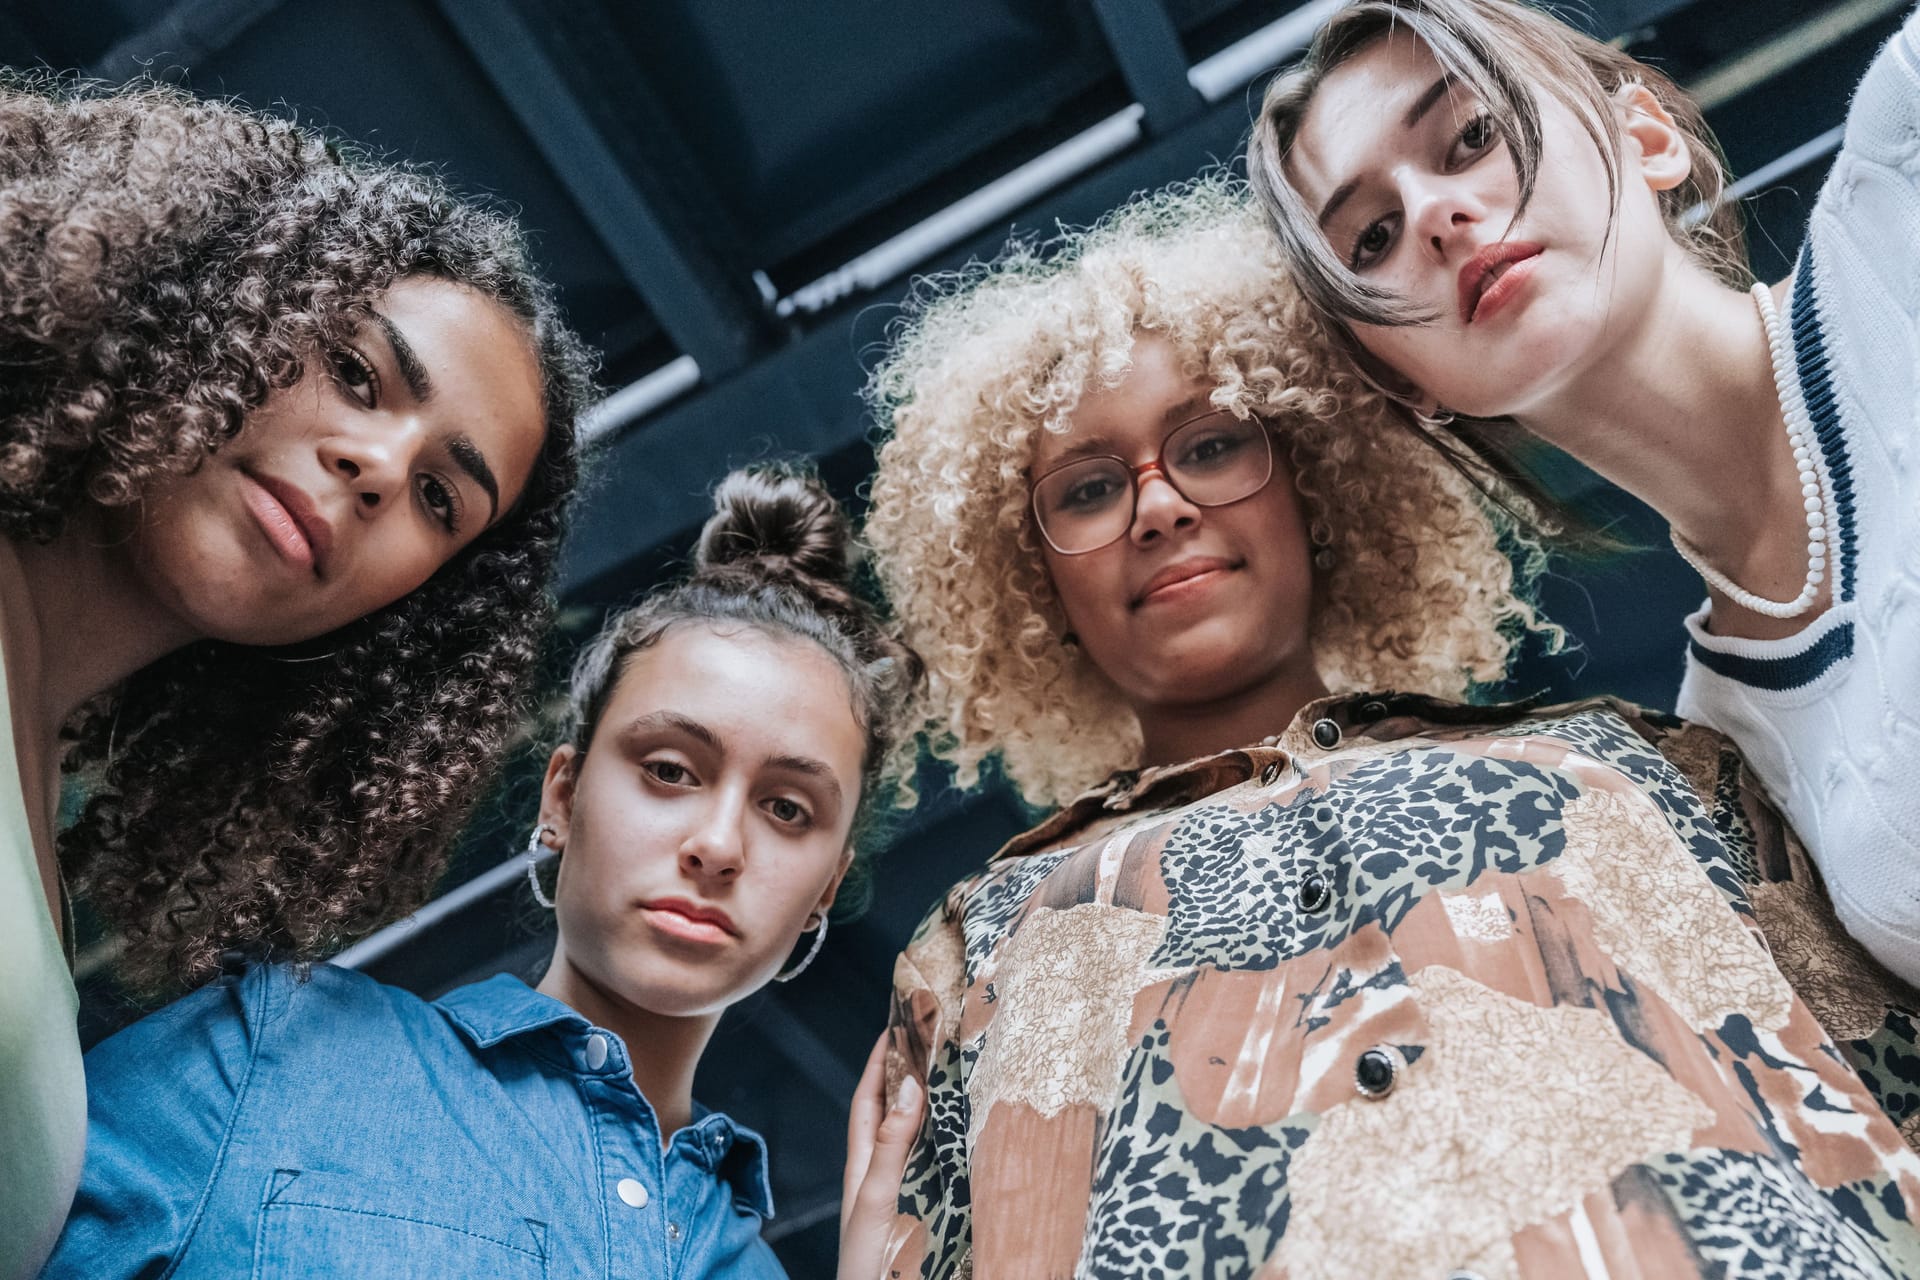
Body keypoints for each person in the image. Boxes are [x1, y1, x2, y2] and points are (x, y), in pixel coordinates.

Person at [862, 178, 1920, 1278]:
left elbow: (1891, 1092)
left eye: (1213, 444)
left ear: (1312, 487)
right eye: (1086, 489)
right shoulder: (971, 952)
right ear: (1034, 588)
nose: (1161, 504)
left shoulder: (1639, 762)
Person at [44, 465, 927, 1279]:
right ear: (562, 799)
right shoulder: (272, 1050)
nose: (720, 844)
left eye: (786, 809)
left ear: (824, 886)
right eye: (667, 770)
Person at [0, 74, 594, 1277]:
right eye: (358, 372)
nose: (375, 466)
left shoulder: (48, 883)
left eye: (440, 497)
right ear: (214, 296)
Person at [1247, 0, 1920, 987]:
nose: (1435, 214)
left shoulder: (1902, 167)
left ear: (1647, 139)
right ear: (1408, 383)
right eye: (1373, 236)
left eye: (1472, 135)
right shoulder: (1727, 758)